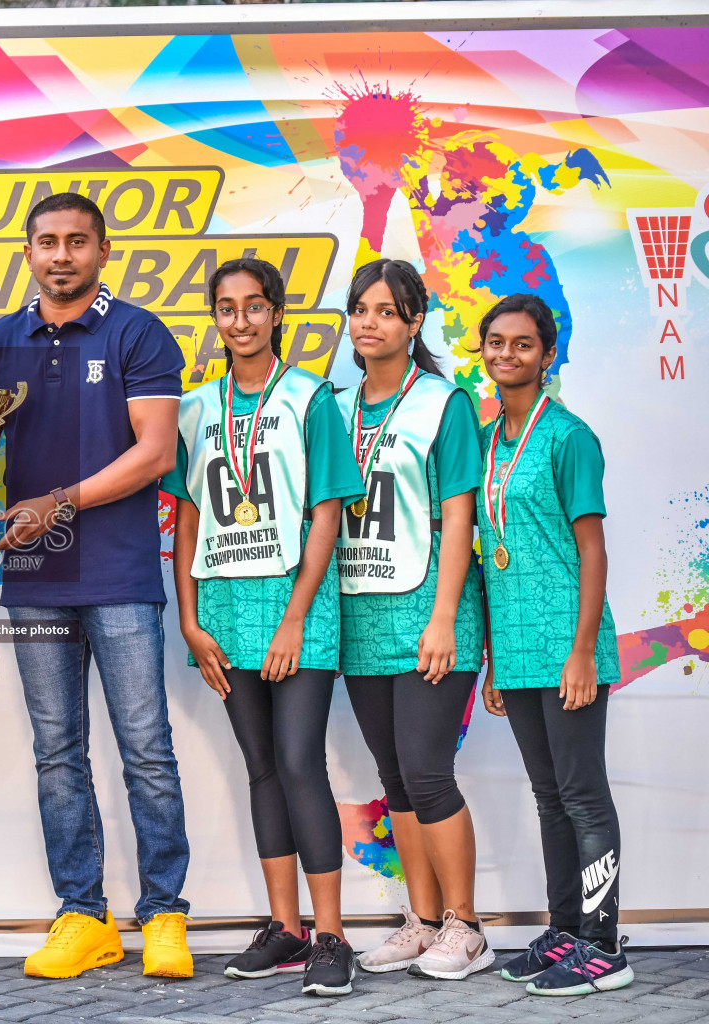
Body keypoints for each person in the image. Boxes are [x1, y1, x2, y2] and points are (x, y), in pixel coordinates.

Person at [0, 192, 192, 981]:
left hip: (121, 576)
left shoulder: (137, 331)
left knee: (147, 753)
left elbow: (156, 453)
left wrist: (59, 500)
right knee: (58, 753)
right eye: (47, 243)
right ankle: (83, 917)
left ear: (102, 250)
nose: (62, 255)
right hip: (35, 578)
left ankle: (163, 915)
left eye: (77, 242)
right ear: (27, 252)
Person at [166, 257, 363, 997]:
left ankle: (332, 937)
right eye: (227, 307)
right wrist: (189, 618)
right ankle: (285, 928)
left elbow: (325, 513)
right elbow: (186, 514)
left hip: (295, 609)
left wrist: (295, 618)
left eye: (255, 306)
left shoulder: (313, 399)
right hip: (223, 609)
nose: (241, 320)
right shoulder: (195, 408)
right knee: (259, 767)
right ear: (214, 316)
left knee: (298, 760)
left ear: (277, 313)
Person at [335, 260, 491, 980]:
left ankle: (467, 926)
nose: (371, 323)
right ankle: (423, 921)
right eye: (361, 310)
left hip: (431, 615)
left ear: (413, 322)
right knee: (395, 778)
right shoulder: (336, 406)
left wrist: (446, 616)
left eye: (387, 311)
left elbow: (460, 514)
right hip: (361, 614)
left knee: (430, 775)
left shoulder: (442, 402)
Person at [475, 293, 630, 997]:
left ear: (547, 355)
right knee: (548, 797)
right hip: (518, 650)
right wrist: (495, 661)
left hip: (570, 647)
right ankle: (567, 929)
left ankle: (604, 947)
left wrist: (582, 650)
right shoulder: (487, 444)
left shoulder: (568, 437)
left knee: (583, 797)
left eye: (522, 345)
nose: (507, 355)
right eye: (496, 343)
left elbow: (592, 551)